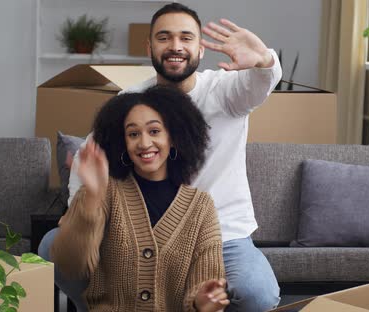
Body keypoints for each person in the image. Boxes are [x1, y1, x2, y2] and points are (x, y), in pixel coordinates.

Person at [68, 3, 282, 311]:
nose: (175, 47)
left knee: (258, 294)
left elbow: (259, 85)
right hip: (142, 232)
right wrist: (79, 207)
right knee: (53, 246)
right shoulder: (131, 102)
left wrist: (264, 61)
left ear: (200, 48)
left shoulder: (226, 92)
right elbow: (89, 157)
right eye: (164, 38)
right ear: (150, 46)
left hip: (224, 235)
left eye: (186, 38)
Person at [47, 86, 229, 311]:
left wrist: (203, 303)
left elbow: (205, 283)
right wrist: (92, 198)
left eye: (154, 131)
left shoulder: (202, 207)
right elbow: (70, 264)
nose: (144, 143)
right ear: (123, 142)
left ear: (173, 137)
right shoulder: (102, 192)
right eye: (133, 134)